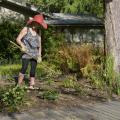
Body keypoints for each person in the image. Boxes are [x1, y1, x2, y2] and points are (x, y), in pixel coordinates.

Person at [16, 14, 48, 89]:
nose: (36, 25)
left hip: (35, 54)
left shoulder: (38, 32)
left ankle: (31, 85)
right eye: (35, 23)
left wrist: (40, 56)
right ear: (33, 22)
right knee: (24, 68)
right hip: (26, 53)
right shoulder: (26, 29)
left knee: (33, 69)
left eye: (38, 24)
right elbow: (18, 39)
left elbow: (39, 46)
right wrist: (22, 46)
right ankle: (18, 85)